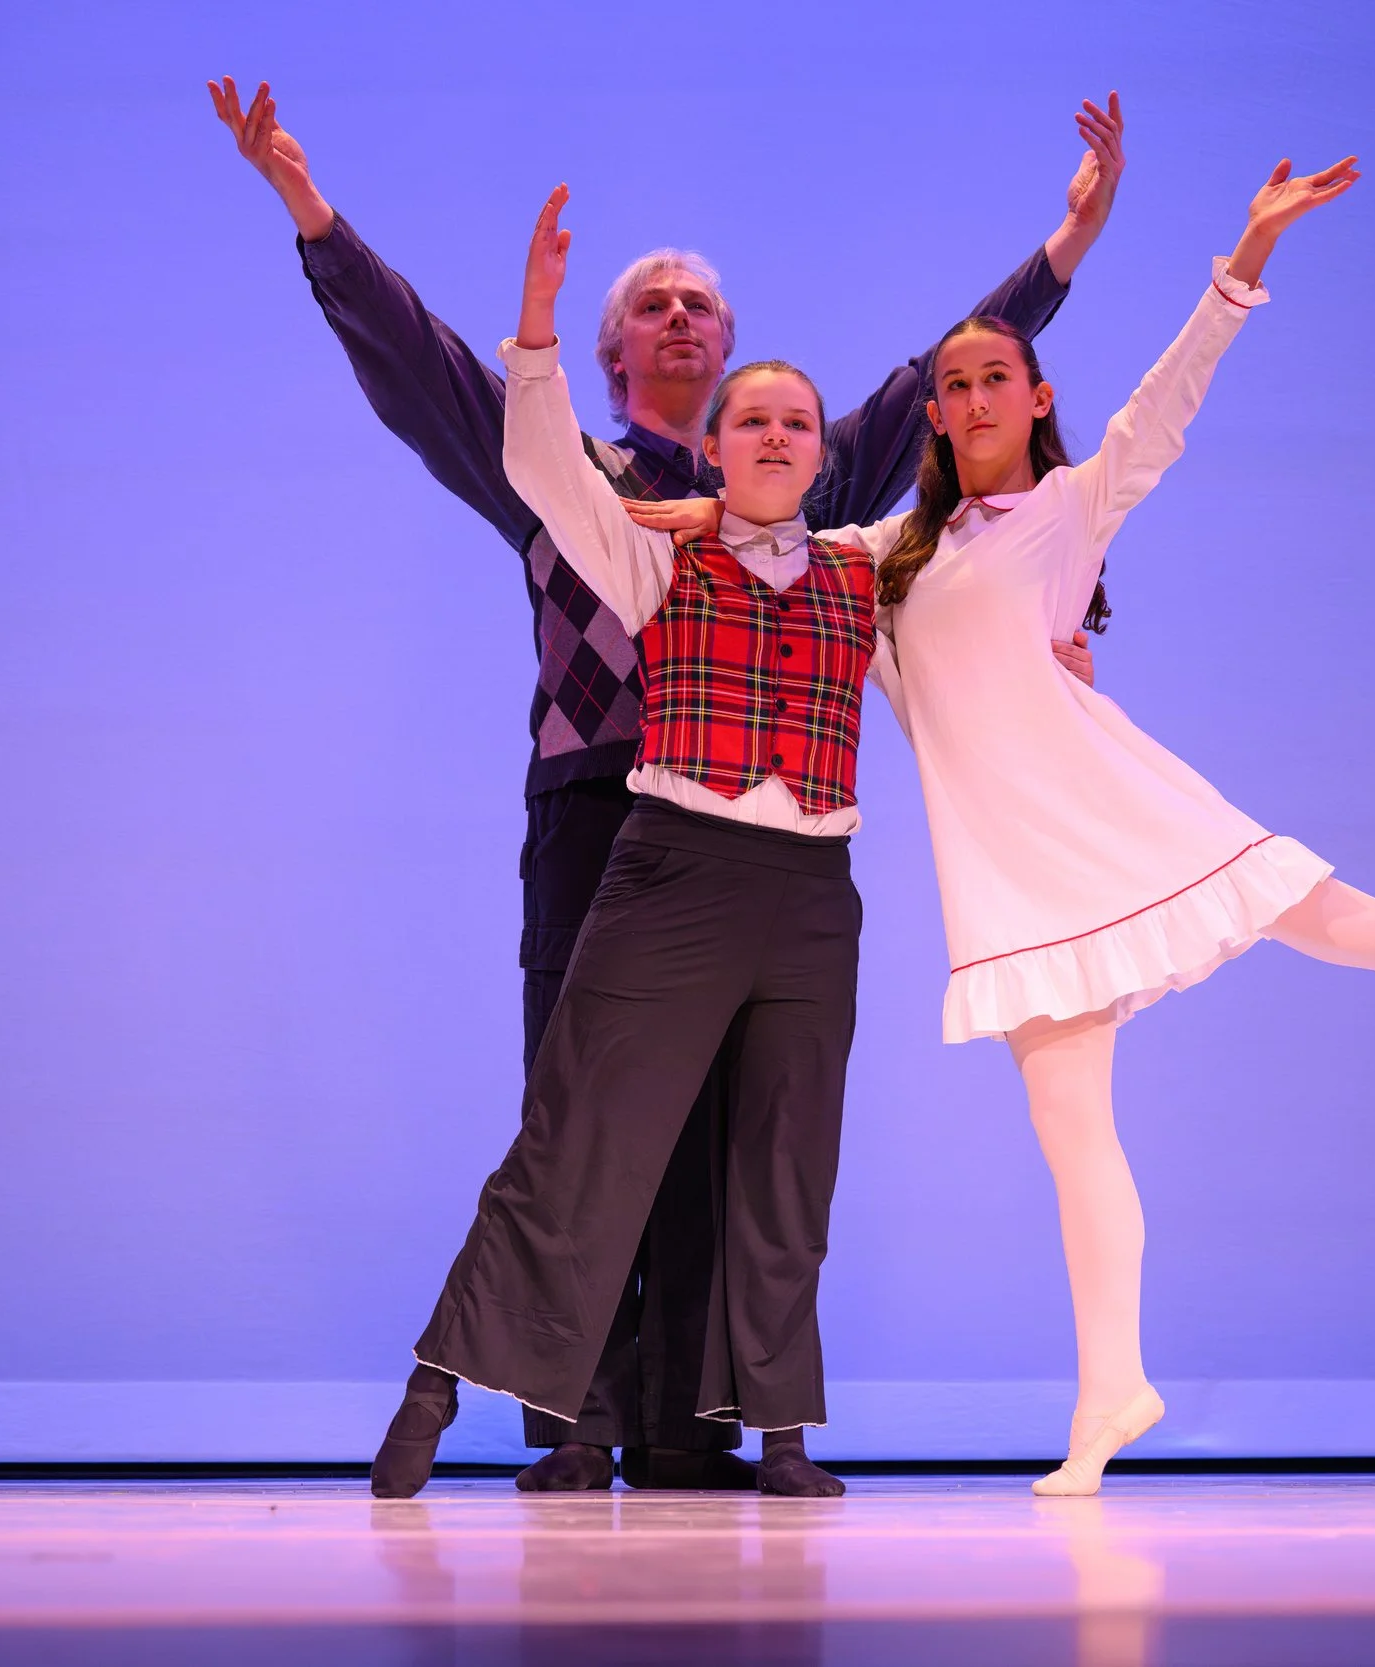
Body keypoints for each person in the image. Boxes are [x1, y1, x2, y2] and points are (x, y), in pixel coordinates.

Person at [631, 150, 1375, 1498]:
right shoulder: (884, 558)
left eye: (992, 380)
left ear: (1036, 397)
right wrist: (650, 509)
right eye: (950, 388)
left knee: (1340, 919)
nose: (966, 402)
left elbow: (1169, 405)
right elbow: (745, 526)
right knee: (1073, 1133)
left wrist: (1245, 255)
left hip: (1113, 805)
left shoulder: (1072, 509)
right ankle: (1109, 1390)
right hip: (1013, 868)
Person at [207, 76, 1120, 1492]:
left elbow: (937, 398)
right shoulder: (569, 475)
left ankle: (692, 1424)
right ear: (613, 347)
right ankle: (577, 1417)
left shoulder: (809, 500)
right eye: (654, 302)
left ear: (768, 385)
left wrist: (1060, 257)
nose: (682, 313)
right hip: (602, 809)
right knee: (594, 1111)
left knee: (742, 1122)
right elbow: (433, 366)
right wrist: (313, 213)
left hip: (769, 836)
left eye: (704, 301)